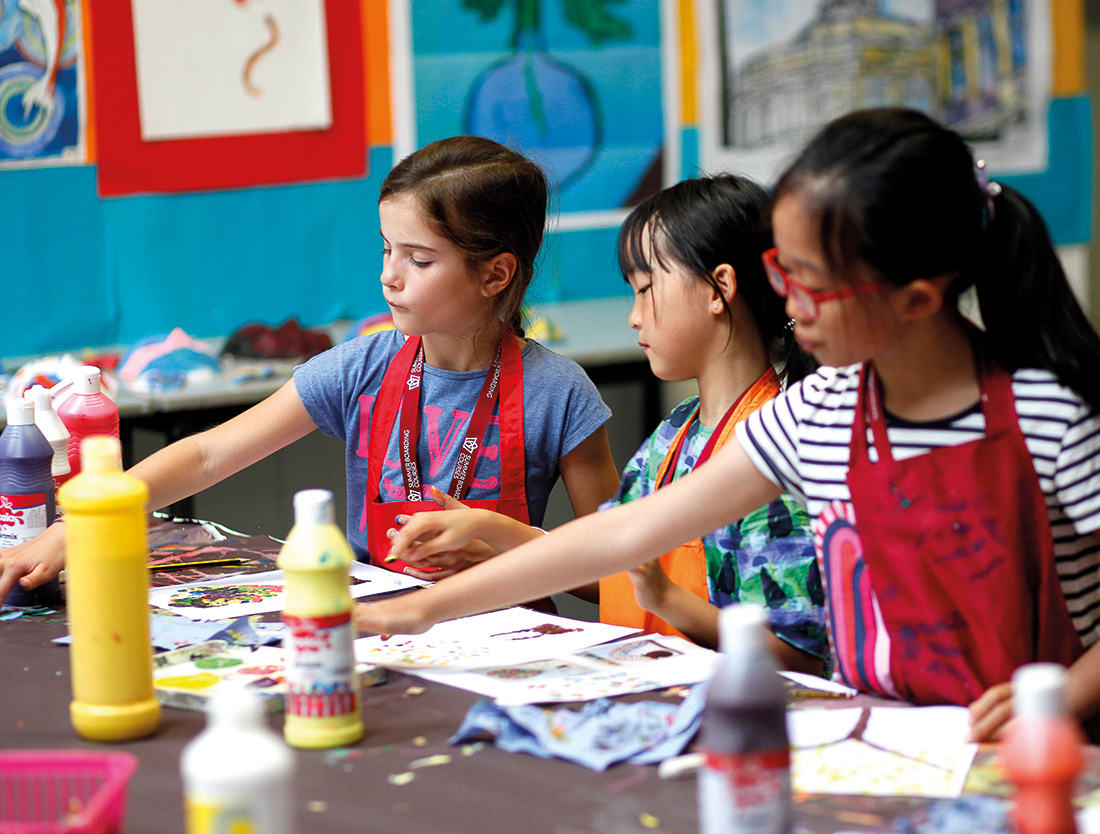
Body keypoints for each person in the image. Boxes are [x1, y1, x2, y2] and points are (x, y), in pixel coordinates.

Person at [356, 108, 1100, 743]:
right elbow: (625, 532)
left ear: (916, 298)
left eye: (813, 282)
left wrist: (1061, 700)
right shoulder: (822, 412)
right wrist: (415, 610)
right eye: (783, 270)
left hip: (1027, 753)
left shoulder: (1047, 420)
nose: (791, 301)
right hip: (884, 735)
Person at [0, 136, 621, 601]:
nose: (389, 275)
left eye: (420, 259)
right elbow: (207, 455)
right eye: (386, 249)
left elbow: (615, 571)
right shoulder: (363, 368)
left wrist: (504, 543)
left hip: (508, 639)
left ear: (495, 273)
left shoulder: (558, 392)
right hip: (371, 626)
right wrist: (76, 527)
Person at [387, 175, 825, 672]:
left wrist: (665, 599)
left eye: (645, 289)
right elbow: (606, 556)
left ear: (718, 288)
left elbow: (803, 658)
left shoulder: (776, 450)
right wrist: (493, 531)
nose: (634, 317)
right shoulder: (675, 433)